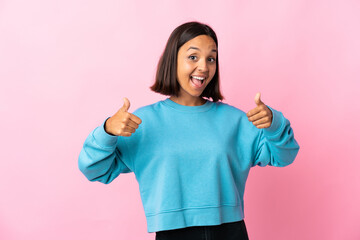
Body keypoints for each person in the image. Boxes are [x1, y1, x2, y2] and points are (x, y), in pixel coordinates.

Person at [78, 21, 300, 240]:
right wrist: (107, 131)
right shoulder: (141, 122)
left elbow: (285, 155)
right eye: (193, 57)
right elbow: (94, 169)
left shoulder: (236, 120)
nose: (204, 67)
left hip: (230, 232)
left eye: (211, 59)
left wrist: (274, 123)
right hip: (171, 234)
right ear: (172, 61)